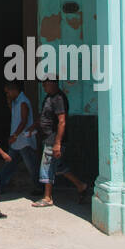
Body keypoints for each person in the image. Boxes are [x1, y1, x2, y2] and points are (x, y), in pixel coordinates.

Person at [27, 77, 91, 208]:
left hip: (53, 139)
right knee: (58, 167)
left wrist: (57, 143)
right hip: (48, 138)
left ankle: (47, 197)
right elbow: (44, 116)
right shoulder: (49, 97)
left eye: (45, 83)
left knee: (47, 167)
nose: (43, 86)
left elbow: (62, 121)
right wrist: (34, 126)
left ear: (53, 83)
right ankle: (81, 185)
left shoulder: (59, 99)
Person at [0, 80, 39, 193]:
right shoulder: (16, 101)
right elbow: (14, 116)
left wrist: (15, 135)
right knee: (10, 164)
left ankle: (39, 187)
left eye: (8, 92)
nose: (7, 95)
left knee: (32, 166)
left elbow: (23, 121)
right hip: (16, 142)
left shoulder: (23, 101)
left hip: (24, 141)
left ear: (14, 90)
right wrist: (9, 102)